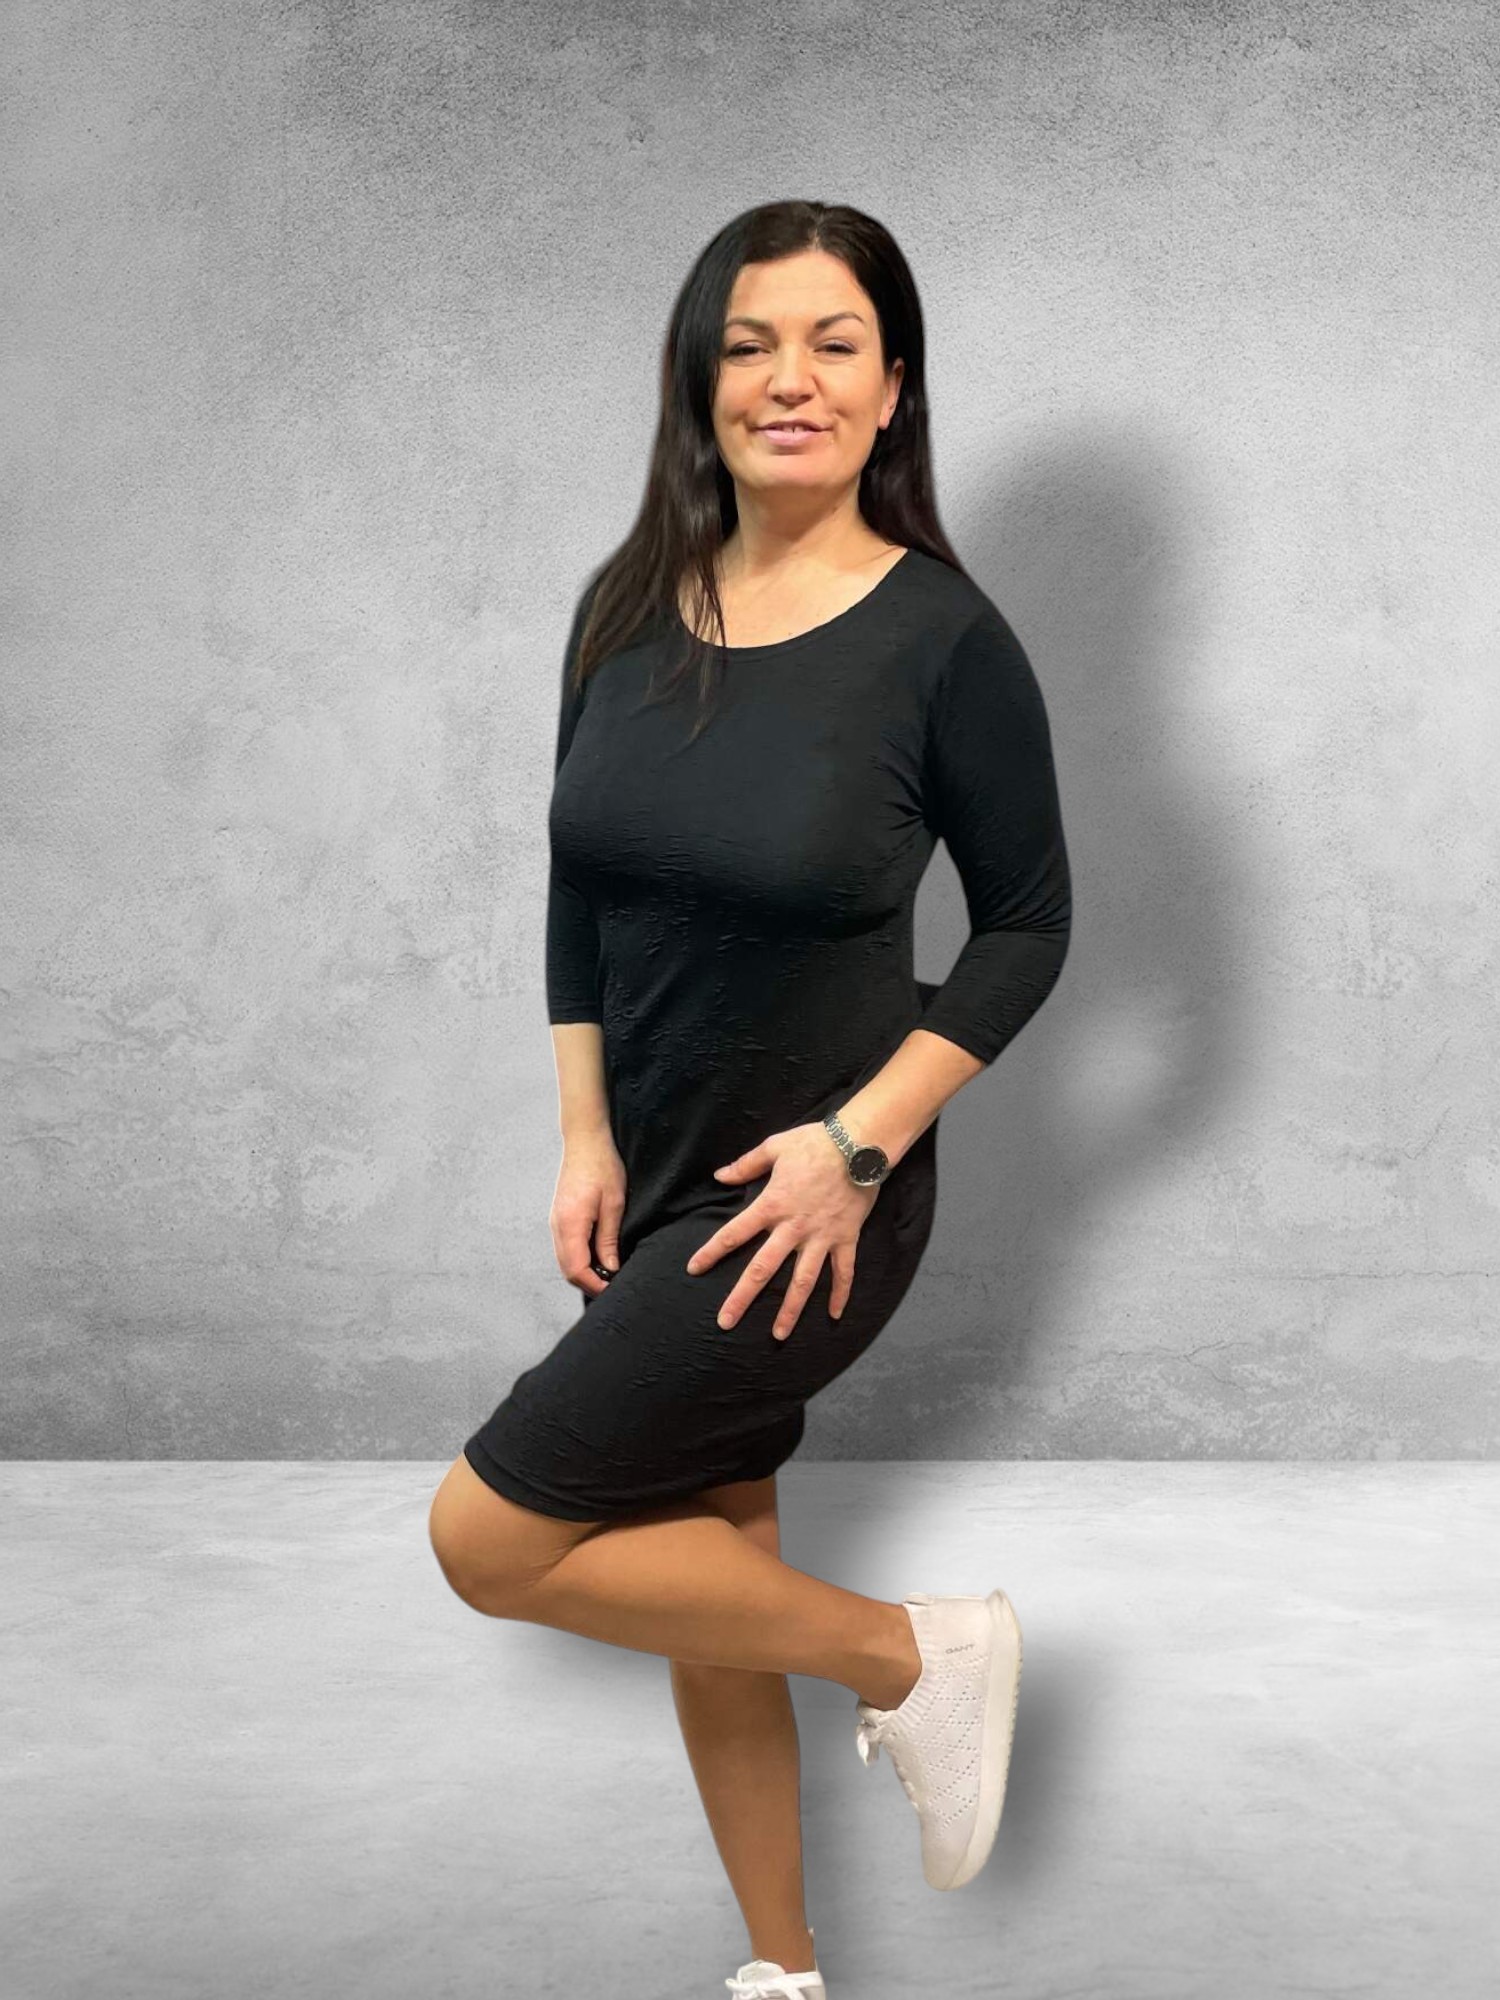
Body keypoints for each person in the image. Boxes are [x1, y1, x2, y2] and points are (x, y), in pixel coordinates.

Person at [428, 198, 1072, 1998]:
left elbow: (1029, 926)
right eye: (749, 344)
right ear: (699, 382)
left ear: (894, 388)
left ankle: (921, 1658)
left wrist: (862, 1145)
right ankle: (785, 1973)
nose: (790, 379)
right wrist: (583, 1134)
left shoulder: (944, 640)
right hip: (653, 1171)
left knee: (489, 1537)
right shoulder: (625, 609)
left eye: (834, 344)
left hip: (811, 1195)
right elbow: (580, 892)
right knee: (708, 1568)